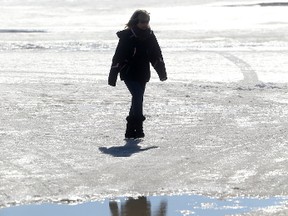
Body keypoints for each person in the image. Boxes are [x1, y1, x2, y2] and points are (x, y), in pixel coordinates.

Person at [108, 9, 167, 139]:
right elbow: (118, 56)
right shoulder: (127, 36)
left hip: (143, 73)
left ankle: (130, 131)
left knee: (137, 99)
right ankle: (139, 126)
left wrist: (161, 72)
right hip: (129, 72)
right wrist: (113, 75)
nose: (145, 24)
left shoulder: (150, 35)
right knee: (138, 95)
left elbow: (156, 55)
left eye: (147, 21)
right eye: (142, 21)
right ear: (136, 21)